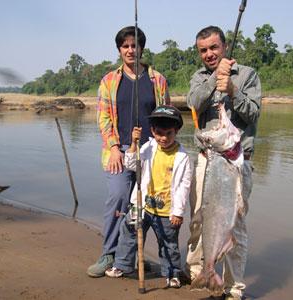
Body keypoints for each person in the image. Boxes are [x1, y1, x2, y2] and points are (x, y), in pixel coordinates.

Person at [87, 26, 170, 278]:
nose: (130, 50)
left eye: (135, 45)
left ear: (142, 48)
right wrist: (113, 148)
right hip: (120, 151)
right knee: (119, 198)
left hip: (151, 151)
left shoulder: (158, 80)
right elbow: (103, 118)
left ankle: (155, 258)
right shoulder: (109, 81)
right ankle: (109, 253)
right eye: (125, 46)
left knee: (152, 205)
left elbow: (165, 117)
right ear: (119, 50)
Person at [185, 26, 262, 300]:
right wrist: (214, 79)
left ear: (224, 46)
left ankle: (232, 287)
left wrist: (231, 89)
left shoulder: (247, 74)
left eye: (214, 47)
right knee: (199, 218)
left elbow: (253, 114)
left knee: (235, 225)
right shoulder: (198, 77)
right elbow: (193, 102)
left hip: (236, 162)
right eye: (203, 50)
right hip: (208, 160)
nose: (209, 54)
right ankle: (199, 272)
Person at [105, 105, 192, 288]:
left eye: (169, 133)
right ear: (152, 131)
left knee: (169, 245)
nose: (164, 138)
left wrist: (178, 212)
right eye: (159, 133)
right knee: (129, 235)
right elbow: (130, 164)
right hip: (141, 205)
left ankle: (172, 273)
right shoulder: (148, 147)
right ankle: (122, 265)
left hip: (167, 211)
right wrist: (134, 143)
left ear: (176, 132)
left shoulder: (182, 156)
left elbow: (184, 186)